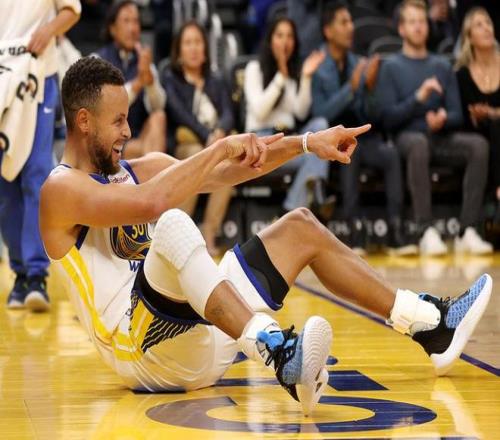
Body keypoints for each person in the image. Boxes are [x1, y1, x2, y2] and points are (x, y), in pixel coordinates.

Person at [39, 56, 492, 415]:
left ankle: (430, 325)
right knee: (174, 223)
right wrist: (219, 146)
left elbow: (228, 171)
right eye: (118, 120)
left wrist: (307, 143)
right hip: (143, 353)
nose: (128, 131)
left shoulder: (136, 169)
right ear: (84, 121)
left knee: (300, 227)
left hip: (201, 338)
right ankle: (279, 351)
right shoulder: (60, 190)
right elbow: (152, 203)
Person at [377, 0, 493, 256]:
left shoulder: (441, 65)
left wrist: (443, 118)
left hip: (440, 136)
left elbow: (457, 114)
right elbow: (387, 119)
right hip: (407, 137)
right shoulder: (391, 67)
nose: (419, 27)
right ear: (401, 28)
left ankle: (467, 230)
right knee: (418, 144)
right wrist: (417, 99)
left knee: (478, 146)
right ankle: (425, 230)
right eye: (412, 22)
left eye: (422, 21)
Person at [312, 1, 415, 256]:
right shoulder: (318, 67)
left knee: (390, 155)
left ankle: (396, 228)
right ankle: (354, 229)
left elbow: (371, 116)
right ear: (328, 31)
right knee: (350, 153)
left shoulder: (358, 62)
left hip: (359, 137)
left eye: (350, 21)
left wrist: (368, 90)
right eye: (344, 22)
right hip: (327, 143)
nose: (351, 27)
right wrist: (352, 87)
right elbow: (320, 114)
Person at [0, 0, 81, 311]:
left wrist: (48, 31)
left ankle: (37, 276)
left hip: (38, 73)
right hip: (3, 72)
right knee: (6, 179)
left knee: (36, 173)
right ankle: (20, 273)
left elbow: (72, 10)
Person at [244, 17, 334, 221]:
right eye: (280, 35)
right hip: (262, 142)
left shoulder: (293, 73)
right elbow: (260, 111)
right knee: (315, 152)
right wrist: (281, 76)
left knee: (320, 126)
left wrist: (306, 77)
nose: (285, 41)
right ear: (270, 40)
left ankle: (292, 208)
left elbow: (300, 113)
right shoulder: (254, 69)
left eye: (290, 36)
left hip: (288, 138)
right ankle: (310, 200)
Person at [162, 21, 235, 256]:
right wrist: (207, 136)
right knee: (196, 155)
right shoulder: (171, 79)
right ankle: (177, 234)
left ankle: (209, 232)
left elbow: (228, 112)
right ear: (179, 50)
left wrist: (219, 132)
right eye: (188, 43)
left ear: (205, 48)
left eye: (198, 42)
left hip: (216, 142)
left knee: (230, 162)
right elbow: (179, 114)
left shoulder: (216, 80)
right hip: (186, 144)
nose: (193, 48)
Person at [95, 0, 167, 159]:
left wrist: (150, 82)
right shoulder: (97, 61)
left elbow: (158, 106)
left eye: (136, 22)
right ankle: (155, 172)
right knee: (153, 154)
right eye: (126, 21)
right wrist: (138, 83)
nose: (132, 28)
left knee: (159, 117)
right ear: (112, 29)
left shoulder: (145, 61)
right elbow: (106, 107)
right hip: (109, 140)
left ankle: (150, 169)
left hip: (138, 138)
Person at [455, 8, 500, 218]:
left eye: (488, 23)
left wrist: (491, 112)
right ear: (469, 37)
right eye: (479, 25)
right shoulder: (461, 74)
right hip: (478, 134)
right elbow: (463, 116)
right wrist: (479, 116)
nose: (486, 28)